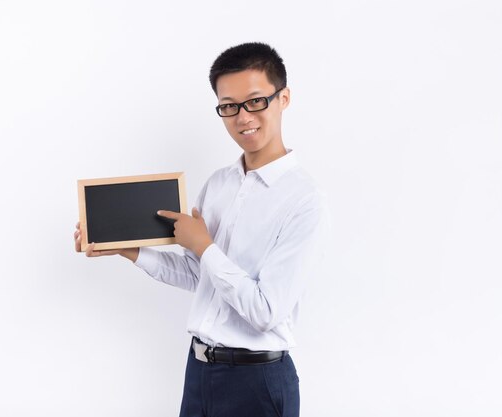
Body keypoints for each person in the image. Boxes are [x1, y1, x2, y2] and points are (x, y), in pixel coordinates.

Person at [74, 42, 329, 417]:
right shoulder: (219, 185)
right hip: (200, 371)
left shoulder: (303, 199)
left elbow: (266, 311)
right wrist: (125, 248)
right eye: (229, 107)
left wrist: (205, 246)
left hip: (257, 381)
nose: (243, 117)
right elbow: (201, 276)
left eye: (255, 101)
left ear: (283, 98)